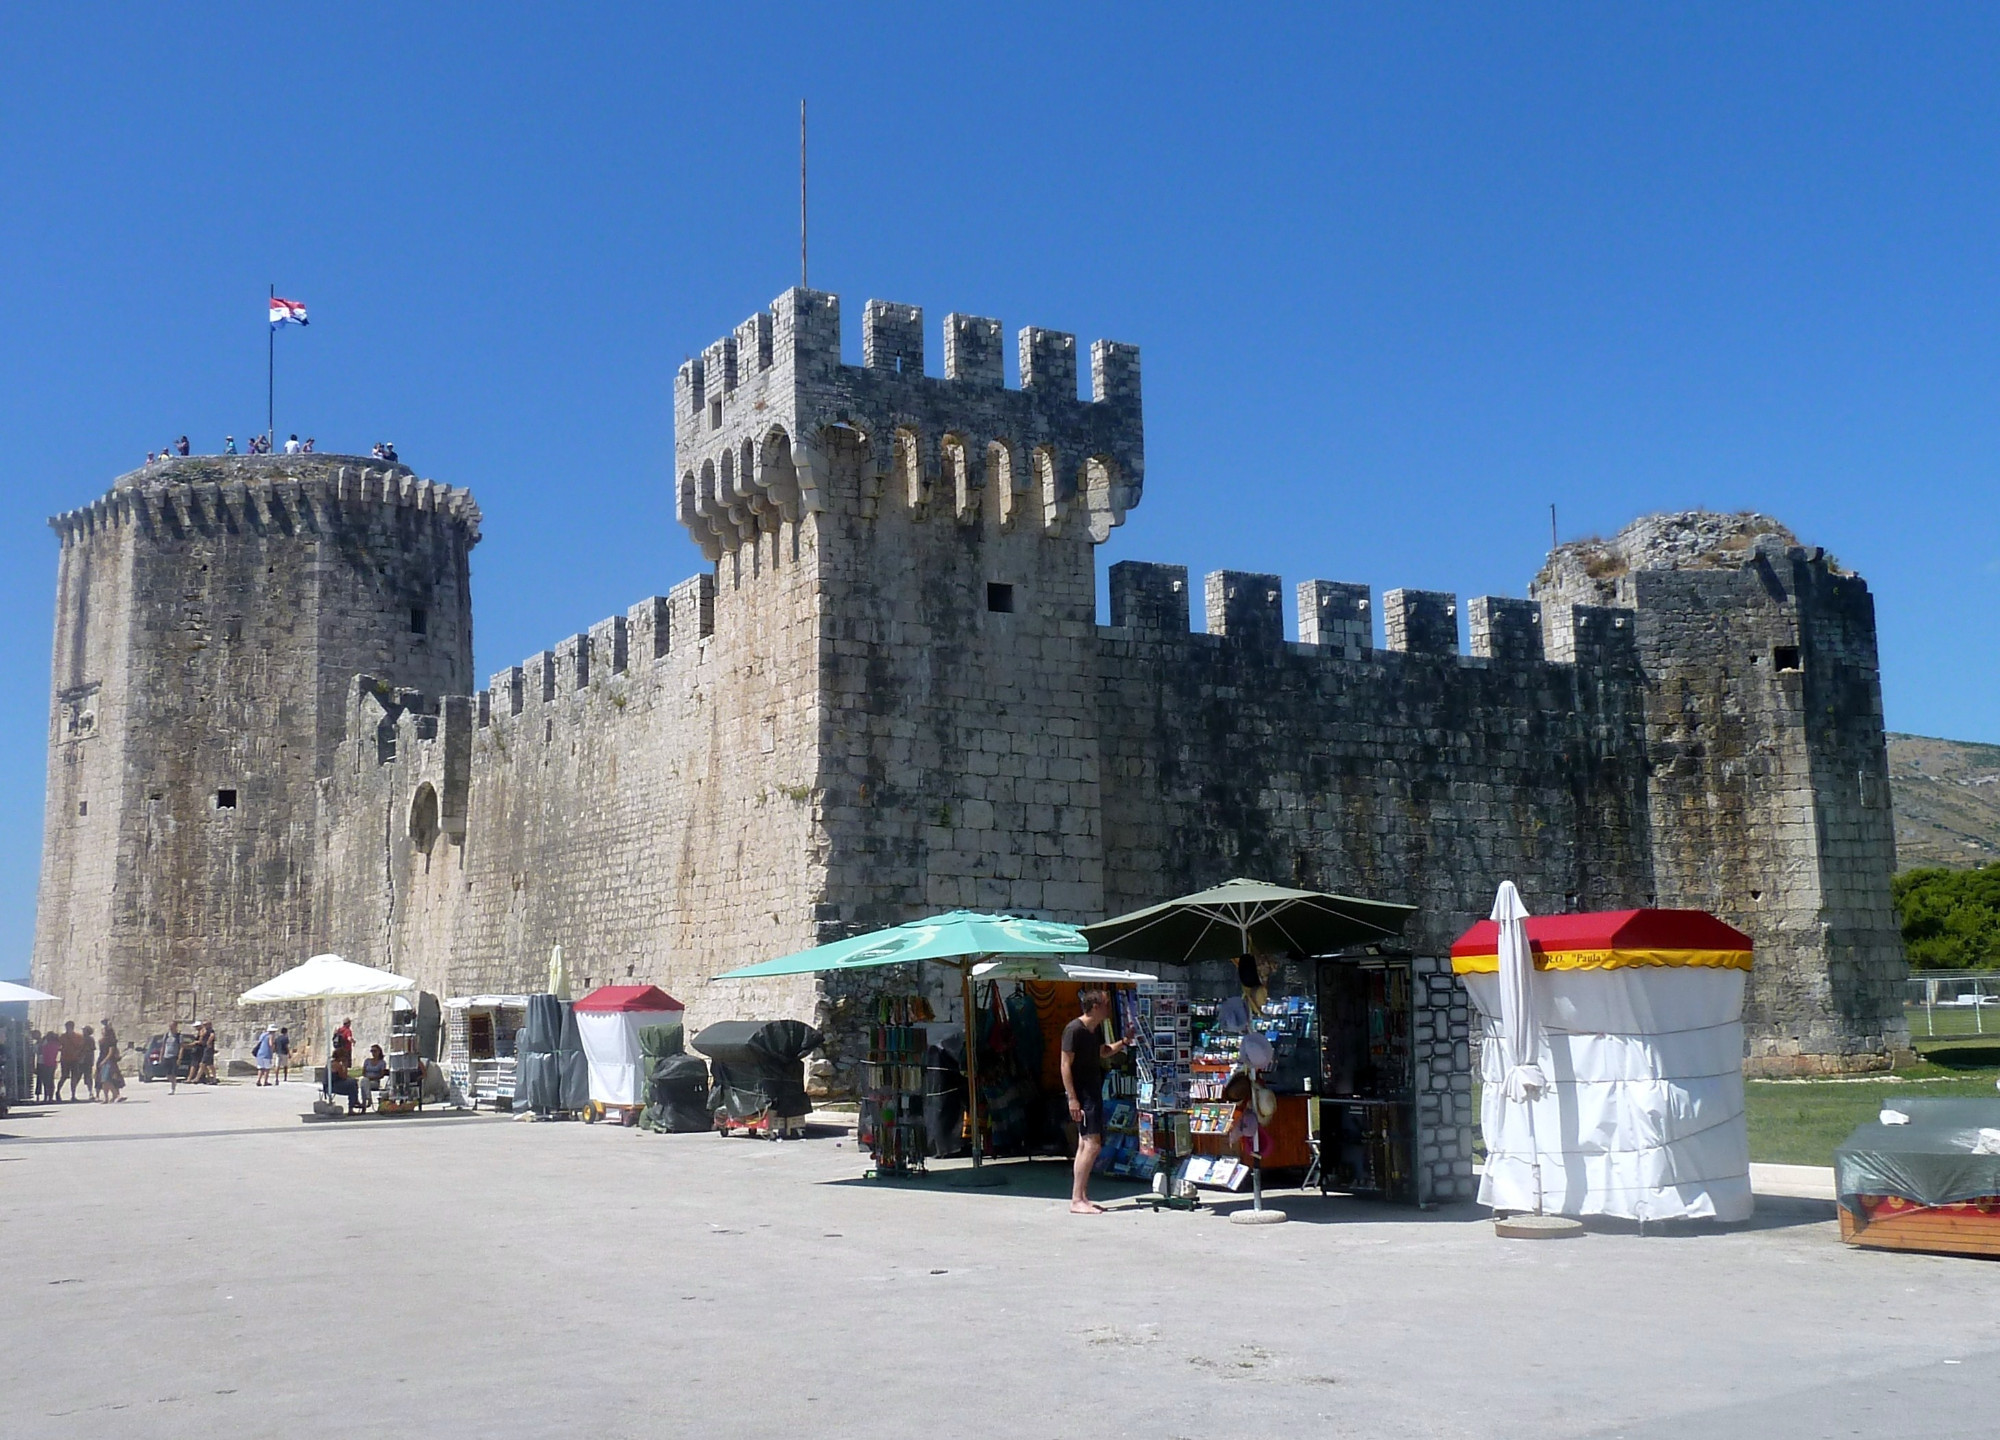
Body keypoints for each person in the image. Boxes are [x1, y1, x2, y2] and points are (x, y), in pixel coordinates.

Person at [1061, 989, 1132, 1215]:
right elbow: (1064, 1065)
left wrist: (1124, 1041)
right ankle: (1076, 1199)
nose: (1108, 1008)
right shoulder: (1074, 1030)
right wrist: (1072, 1098)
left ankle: (1081, 1196)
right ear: (1094, 1007)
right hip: (1082, 1095)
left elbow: (1103, 1052)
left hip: (1094, 1091)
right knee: (1093, 1144)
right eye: (1105, 1004)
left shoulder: (1094, 1030)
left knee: (1085, 1144)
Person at [57, 1020, 87, 1101]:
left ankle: (73, 1095)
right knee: (64, 1076)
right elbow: (58, 1047)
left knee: (74, 1077)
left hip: (74, 1059)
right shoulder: (62, 1037)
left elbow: (82, 1048)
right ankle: (58, 1092)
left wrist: (80, 1056)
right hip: (65, 1059)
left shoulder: (78, 1036)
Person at [96, 1030, 125, 1102]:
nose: (102, 1032)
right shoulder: (101, 1041)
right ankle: (107, 1098)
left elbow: (110, 1052)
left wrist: (104, 1061)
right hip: (102, 1061)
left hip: (109, 1062)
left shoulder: (111, 1042)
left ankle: (116, 1095)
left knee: (107, 1079)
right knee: (104, 1080)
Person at [359, 1044, 388, 1110]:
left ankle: (365, 1102)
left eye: (375, 1051)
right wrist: (367, 1078)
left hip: (375, 1082)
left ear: (379, 1052)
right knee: (364, 1081)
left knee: (363, 1083)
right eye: (372, 1051)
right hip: (367, 1080)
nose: (373, 1053)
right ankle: (368, 1099)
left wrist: (372, 1078)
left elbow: (382, 1075)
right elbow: (363, 1072)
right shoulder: (367, 1061)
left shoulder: (382, 1062)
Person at [35, 1028, 59, 1103]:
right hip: (51, 1064)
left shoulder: (45, 1044)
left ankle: (47, 1097)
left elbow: (40, 1052)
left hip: (45, 1064)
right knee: (50, 1081)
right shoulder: (56, 1044)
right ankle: (49, 1097)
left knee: (46, 1081)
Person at [164, 1021, 184, 1094]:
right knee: (168, 1074)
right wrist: (161, 1056)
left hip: (174, 1056)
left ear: (175, 1026)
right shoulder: (166, 1035)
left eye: (172, 1026)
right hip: (166, 1056)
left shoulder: (179, 1036)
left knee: (173, 1074)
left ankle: (173, 1088)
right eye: (170, 1026)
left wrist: (179, 1058)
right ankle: (173, 1083)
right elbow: (163, 1046)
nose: (170, 1028)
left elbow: (182, 1047)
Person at [79, 1024, 97, 1100]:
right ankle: (90, 1092)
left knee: (87, 1077)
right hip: (85, 1060)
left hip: (86, 1060)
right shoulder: (82, 1039)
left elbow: (90, 1050)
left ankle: (90, 1092)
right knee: (79, 1077)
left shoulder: (88, 1039)